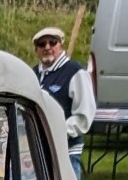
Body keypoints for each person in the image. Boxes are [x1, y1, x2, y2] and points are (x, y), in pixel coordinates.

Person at [31, 28, 95, 170]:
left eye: (52, 42)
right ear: (36, 50)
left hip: (67, 150)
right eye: (42, 44)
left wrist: (57, 133)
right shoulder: (32, 74)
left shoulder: (75, 72)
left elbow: (83, 116)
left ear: (60, 46)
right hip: (37, 148)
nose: (47, 47)